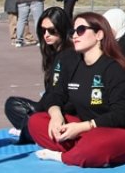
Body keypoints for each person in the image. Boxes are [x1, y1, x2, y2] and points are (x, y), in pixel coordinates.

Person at [26, 13, 125, 167]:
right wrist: (56, 116)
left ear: (99, 34)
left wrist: (83, 127)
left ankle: (66, 156)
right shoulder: (72, 63)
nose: (75, 35)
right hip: (86, 128)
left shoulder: (115, 68)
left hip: (122, 131)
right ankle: (79, 150)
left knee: (96, 144)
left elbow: (121, 116)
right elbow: (54, 94)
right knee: (36, 122)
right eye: (73, 32)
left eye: (81, 30)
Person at [4, 8, 76, 143]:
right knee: (13, 104)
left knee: (31, 117)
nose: (46, 35)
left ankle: (32, 129)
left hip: (63, 107)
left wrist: (50, 111)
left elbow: (57, 93)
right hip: (52, 102)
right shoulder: (53, 52)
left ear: (62, 29)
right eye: (43, 31)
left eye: (52, 31)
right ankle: (31, 127)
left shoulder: (68, 55)